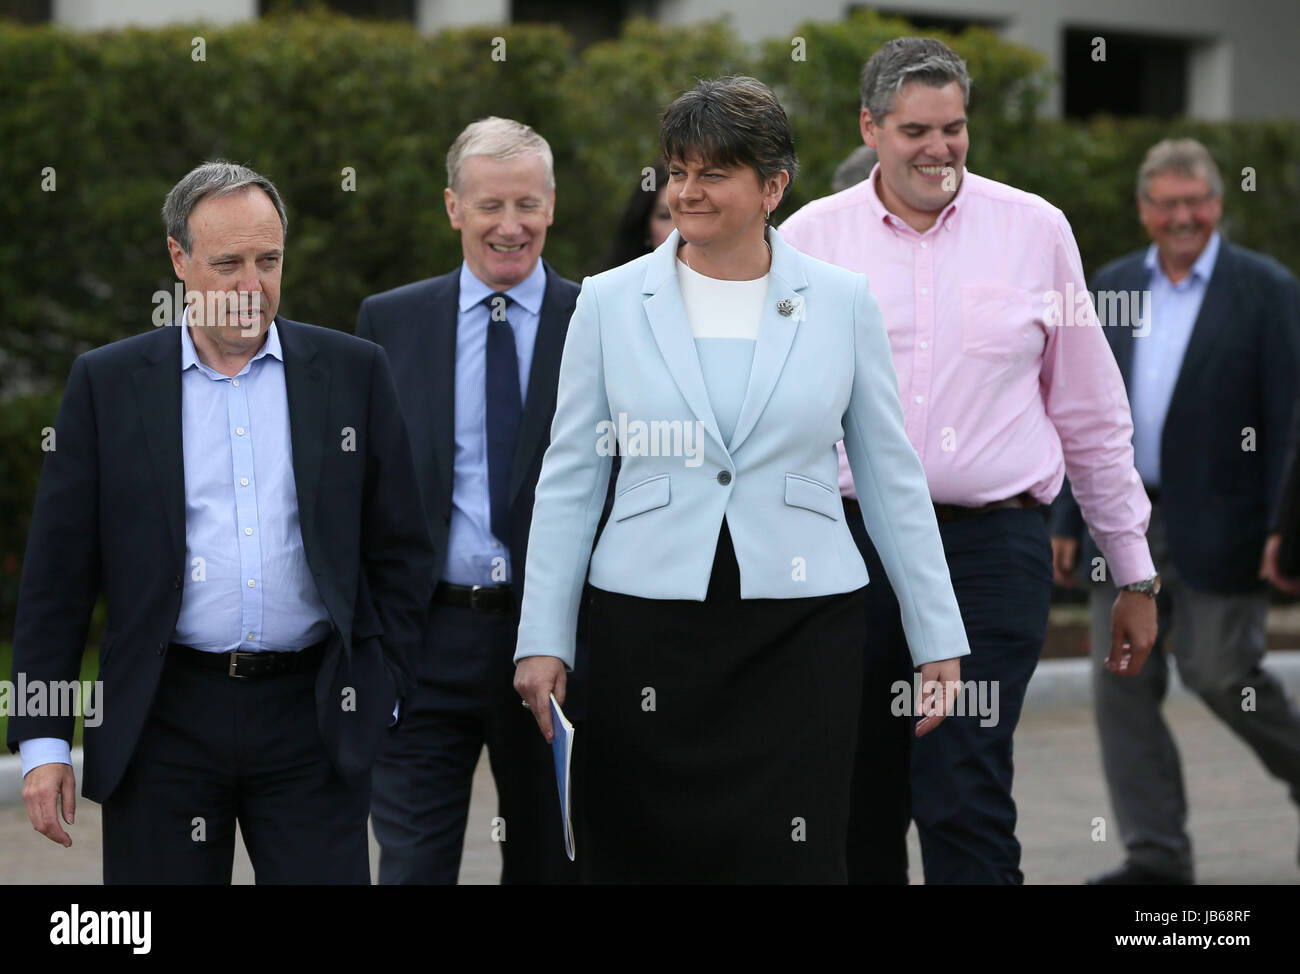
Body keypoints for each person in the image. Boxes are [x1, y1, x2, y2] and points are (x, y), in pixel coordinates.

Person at [512, 75, 970, 884]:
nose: (686, 191)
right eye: (676, 171)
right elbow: (571, 477)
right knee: (644, 853)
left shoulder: (841, 302)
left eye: (712, 173)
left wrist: (937, 640)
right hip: (646, 624)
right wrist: (543, 636)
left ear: (773, 186)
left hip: (803, 629)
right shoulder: (610, 302)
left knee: (790, 856)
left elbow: (891, 477)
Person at [779, 36, 1159, 885]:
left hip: (990, 553)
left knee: (965, 792)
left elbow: (1092, 414)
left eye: (954, 128)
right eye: (916, 129)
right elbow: (769, 415)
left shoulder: (1035, 230)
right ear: (869, 127)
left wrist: (1132, 572)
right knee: (857, 800)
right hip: (850, 552)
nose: (939, 149)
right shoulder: (808, 239)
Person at [8, 161, 434, 883]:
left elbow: (400, 553)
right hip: (163, 717)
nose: (250, 287)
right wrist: (45, 741)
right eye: (228, 263)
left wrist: (383, 691)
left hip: (313, 717)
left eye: (268, 261)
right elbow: (57, 577)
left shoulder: (352, 373)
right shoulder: (108, 385)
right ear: (178, 259)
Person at [1052, 138, 1300, 885]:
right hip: (1120, 517)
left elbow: (1290, 415)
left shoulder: (1267, 288)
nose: (1184, 215)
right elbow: (1077, 406)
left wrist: (1287, 522)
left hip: (1230, 519)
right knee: (1121, 685)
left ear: (1219, 204)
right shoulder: (1112, 284)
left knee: (1223, 672)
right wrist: (1068, 518)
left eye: (1198, 201)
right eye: (1169, 202)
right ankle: (1156, 855)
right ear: (1144, 209)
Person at [357, 117, 581, 885]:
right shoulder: (389, 322)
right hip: (425, 643)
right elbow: (366, 492)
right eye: (489, 205)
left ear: (553, 206)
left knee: (551, 864)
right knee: (412, 866)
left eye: (527, 204)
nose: (509, 226)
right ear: (453, 207)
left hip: (553, 642)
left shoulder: (600, 322)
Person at [600, 159, 673, 271]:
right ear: (645, 226)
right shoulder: (606, 286)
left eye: (693, 214)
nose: (679, 229)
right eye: (666, 216)